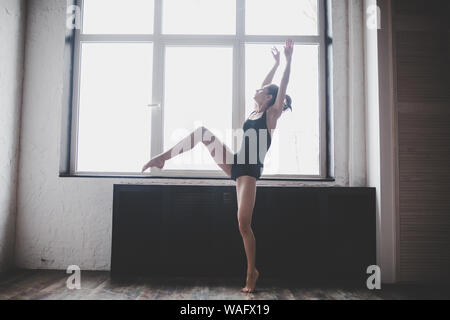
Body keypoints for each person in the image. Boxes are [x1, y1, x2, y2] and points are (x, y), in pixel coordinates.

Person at [142, 39, 294, 293]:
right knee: (202, 132)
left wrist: (287, 62)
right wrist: (274, 64)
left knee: (243, 224)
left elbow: (281, 87)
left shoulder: (270, 115)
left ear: (269, 98)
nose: (256, 90)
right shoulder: (255, 111)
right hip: (236, 163)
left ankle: (251, 272)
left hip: (248, 172)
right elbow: (266, 86)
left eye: (262, 90)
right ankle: (163, 157)